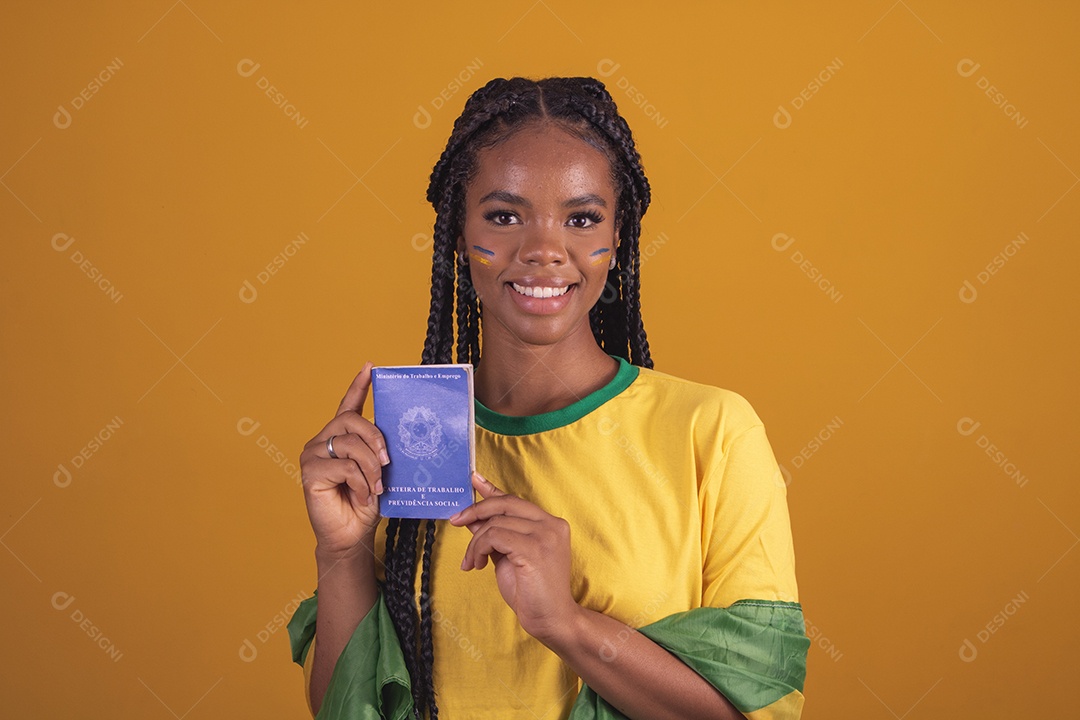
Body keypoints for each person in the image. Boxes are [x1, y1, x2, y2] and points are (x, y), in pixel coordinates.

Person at [287, 76, 808, 720]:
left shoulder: (714, 432)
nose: (543, 251)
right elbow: (346, 711)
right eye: (504, 216)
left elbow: (760, 712)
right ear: (458, 234)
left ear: (617, 237)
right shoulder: (409, 441)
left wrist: (564, 622)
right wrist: (341, 553)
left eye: (582, 219)